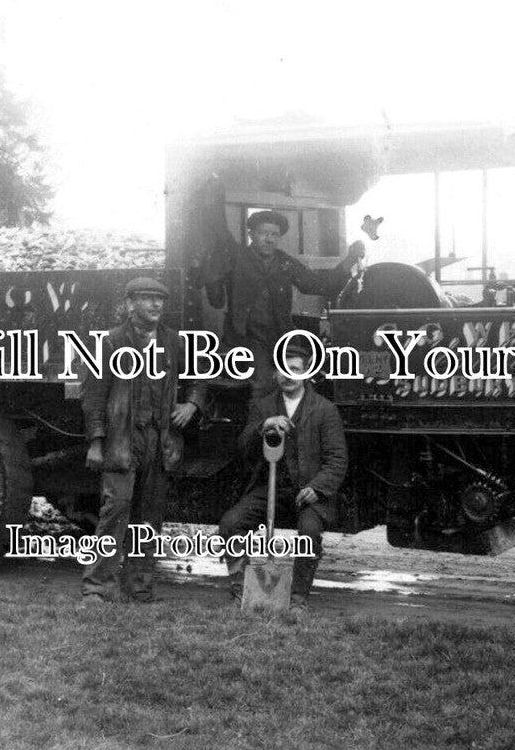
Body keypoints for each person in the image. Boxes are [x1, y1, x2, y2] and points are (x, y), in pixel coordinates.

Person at [79, 277, 205, 603]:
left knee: (149, 517)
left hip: (159, 441)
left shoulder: (174, 342)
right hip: (122, 440)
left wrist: (192, 403)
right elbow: (93, 397)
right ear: (131, 303)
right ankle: (97, 588)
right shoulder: (110, 342)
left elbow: (199, 376)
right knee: (115, 510)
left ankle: (139, 588)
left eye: (159, 300)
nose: (156, 305)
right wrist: (96, 441)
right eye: (148, 299)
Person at [218, 346, 348, 611]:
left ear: (307, 373)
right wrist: (262, 427)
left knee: (309, 532)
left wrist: (317, 488)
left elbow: (337, 459)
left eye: (295, 369)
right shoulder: (262, 406)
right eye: (283, 369)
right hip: (270, 489)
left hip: (308, 493)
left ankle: (298, 599)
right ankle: (241, 592)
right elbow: (242, 449)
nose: (288, 375)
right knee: (231, 523)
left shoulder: (325, 410)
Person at [203, 210, 365, 398]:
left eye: (274, 235)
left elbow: (320, 285)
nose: (269, 239)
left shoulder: (285, 263)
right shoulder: (234, 259)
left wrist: (351, 258)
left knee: (302, 385)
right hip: (245, 340)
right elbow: (215, 298)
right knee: (262, 388)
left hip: (281, 337)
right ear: (251, 235)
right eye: (263, 233)